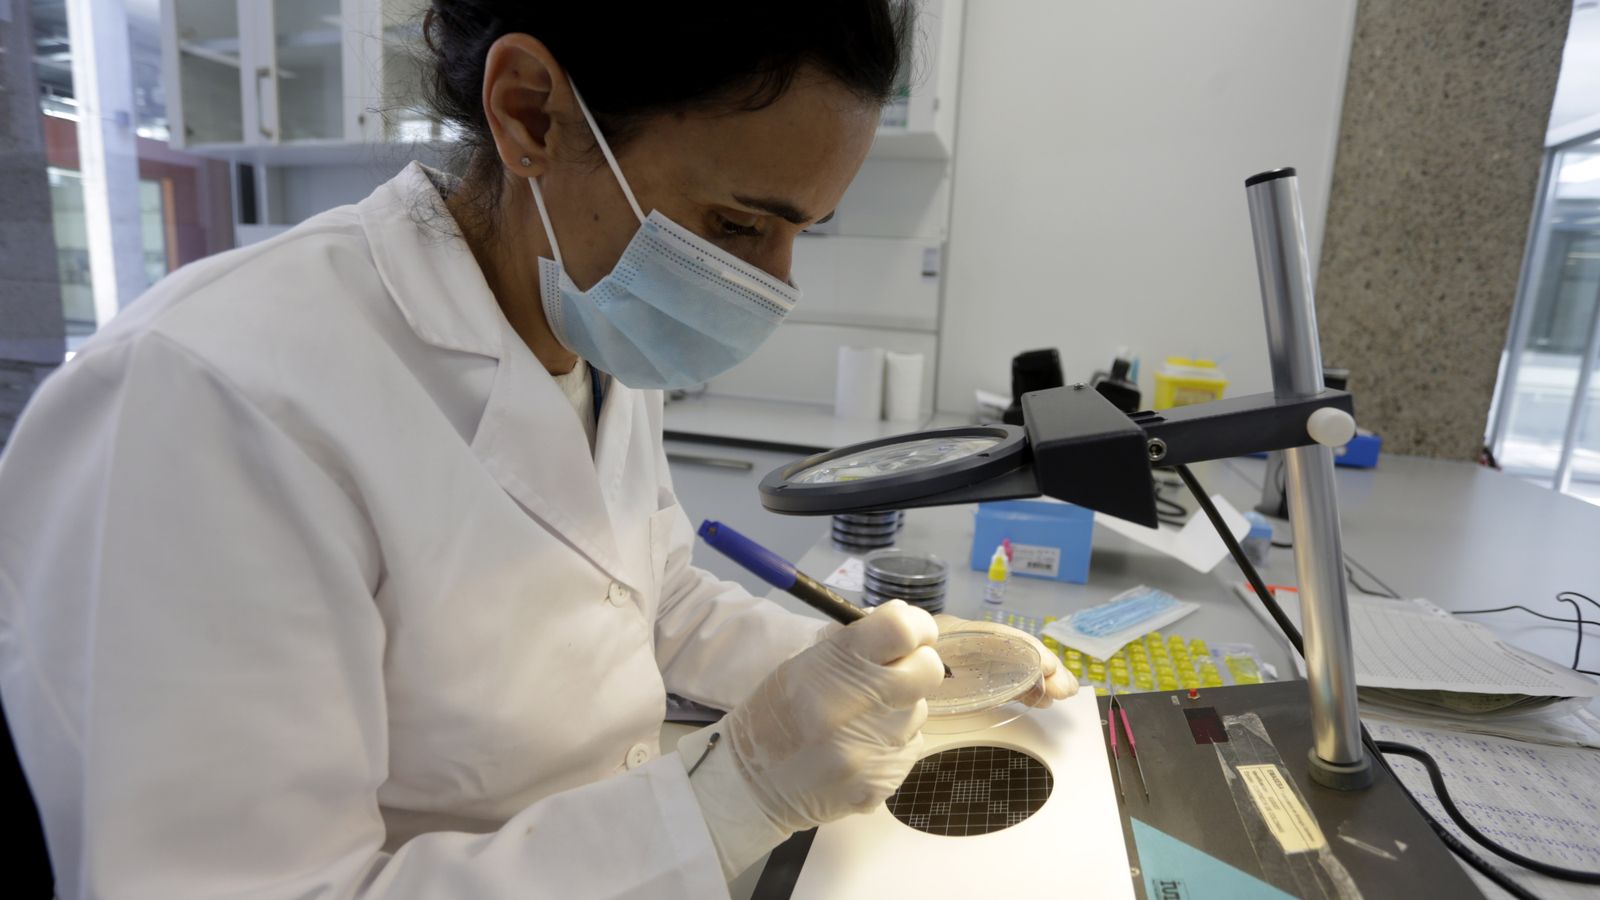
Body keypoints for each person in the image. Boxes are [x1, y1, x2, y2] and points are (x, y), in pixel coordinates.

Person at [0, 4, 1074, 897]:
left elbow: (648, 603)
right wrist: (735, 793)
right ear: (531, 115)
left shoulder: (582, 314)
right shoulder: (215, 396)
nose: (772, 288)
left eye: (804, 233)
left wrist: (888, 671)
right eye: (741, 226)